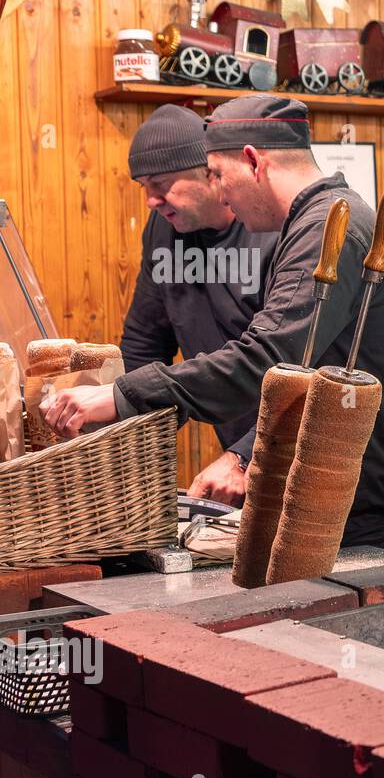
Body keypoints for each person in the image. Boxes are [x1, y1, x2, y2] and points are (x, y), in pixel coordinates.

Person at [42, 94, 384, 556]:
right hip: (315, 505)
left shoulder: (332, 226)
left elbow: (270, 359)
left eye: (219, 176)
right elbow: (154, 341)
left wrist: (123, 396)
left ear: (252, 161)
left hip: (380, 515)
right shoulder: (307, 224)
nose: (221, 192)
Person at [121, 104, 277, 506]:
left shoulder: (273, 230)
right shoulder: (163, 229)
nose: (151, 200)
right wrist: (126, 438)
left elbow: (304, 365)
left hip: (313, 453)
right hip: (246, 461)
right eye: (143, 186)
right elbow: (145, 340)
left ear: (210, 172)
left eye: (161, 183)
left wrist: (245, 455)